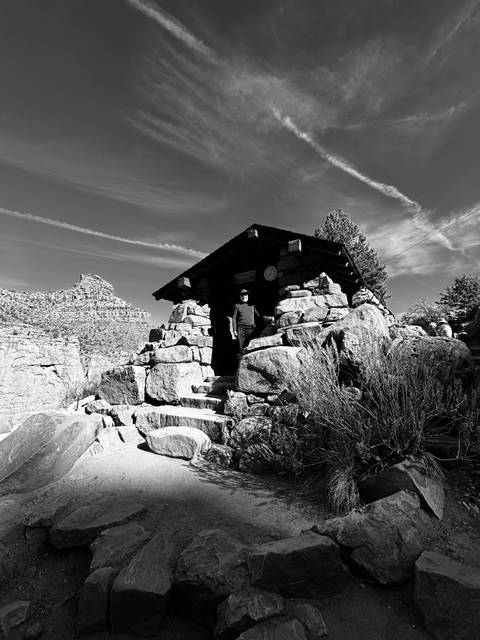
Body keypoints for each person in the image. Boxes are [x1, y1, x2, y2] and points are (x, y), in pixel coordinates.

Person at [232, 288, 259, 356]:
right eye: (242, 295)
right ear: (239, 297)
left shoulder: (252, 305)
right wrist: (234, 329)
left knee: (251, 346)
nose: (244, 297)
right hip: (241, 328)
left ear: (248, 295)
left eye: (245, 295)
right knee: (241, 347)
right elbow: (234, 318)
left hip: (251, 328)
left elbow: (258, 316)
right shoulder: (237, 305)